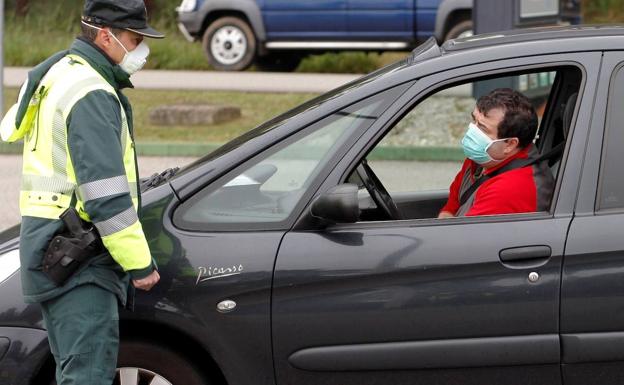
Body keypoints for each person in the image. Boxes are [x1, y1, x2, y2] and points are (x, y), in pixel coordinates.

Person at [0, 1, 163, 383]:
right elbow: (105, 195)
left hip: (54, 250)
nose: (141, 51)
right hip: (80, 262)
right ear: (106, 36)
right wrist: (139, 264)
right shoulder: (91, 93)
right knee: (87, 375)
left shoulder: (61, 73)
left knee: (74, 370)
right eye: (134, 39)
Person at [439, 88, 554, 218]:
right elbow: (452, 206)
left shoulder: (509, 189)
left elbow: (461, 235)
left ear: (509, 144)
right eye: (474, 120)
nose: (472, 131)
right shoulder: (482, 159)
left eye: (482, 128)